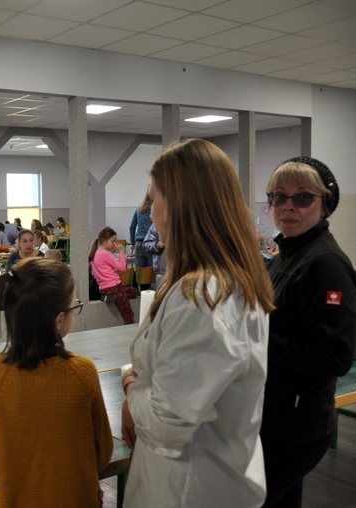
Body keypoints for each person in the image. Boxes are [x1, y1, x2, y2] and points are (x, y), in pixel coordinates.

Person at [121, 139, 274, 507]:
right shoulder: (214, 281)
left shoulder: (203, 297)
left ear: (174, 206)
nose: (151, 211)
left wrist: (130, 386)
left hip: (191, 488)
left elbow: (166, 425)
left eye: (154, 197)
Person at [0, 258, 113, 506]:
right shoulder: (83, 373)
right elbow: (103, 452)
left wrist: (14, 455)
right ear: (59, 320)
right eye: (75, 307)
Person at [260, 157, 356, 508]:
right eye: (278, 197)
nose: (288, 206)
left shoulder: (326, 264)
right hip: (275, 414)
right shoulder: (287, 252)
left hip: (295, 425)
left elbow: (335, 355)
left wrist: (256, 338)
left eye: (302, 198)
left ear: (324, 204)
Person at [89, 227, 138, 324]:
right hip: (112, 287)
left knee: (134, 291)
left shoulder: (96, 253)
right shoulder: (105, 254)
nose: (114, 244)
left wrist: (113, 272)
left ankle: (111, 297)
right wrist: (121, 252)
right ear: (104, 241)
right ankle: (128, 333)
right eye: (113, 241)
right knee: (129, 314)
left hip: (105, 287)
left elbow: (95, 272)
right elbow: (122, 268)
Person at [129, 191, 153, 267]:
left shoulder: (139, 208)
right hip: (151, 243)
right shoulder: (157, 209)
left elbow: (132, 227)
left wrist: (133, 243)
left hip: (139, 243)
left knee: (140, 273)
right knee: (152, 274)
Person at [142, 224, 166, 290]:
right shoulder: (157, 224)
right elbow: (146, 245)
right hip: (162, 271)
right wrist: (157, 245)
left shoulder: (186, 222)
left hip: (184, 271)